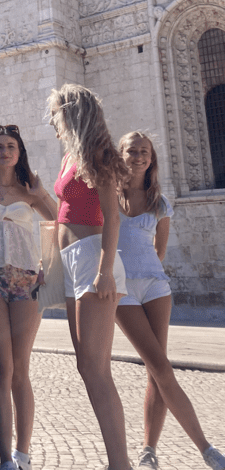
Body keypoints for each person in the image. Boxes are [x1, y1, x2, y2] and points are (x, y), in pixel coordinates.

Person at [115, 132, 225, 470]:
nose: (138, 156)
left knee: (155, 370)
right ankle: (207, 449)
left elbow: (160, 251)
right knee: (161, 366)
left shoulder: (160, 202)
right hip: (123, 292)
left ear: (152, 159)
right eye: (132, 151)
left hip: (156, 288)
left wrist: (147, 271)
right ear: (121, 155)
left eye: (144, 151)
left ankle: (149, 450)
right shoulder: (107, 195)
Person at [47, 84, 131, 470]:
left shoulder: (100, 154)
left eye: (56, 113)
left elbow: (112, 218)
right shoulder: (70, 154)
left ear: (73, 113)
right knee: (85, 366)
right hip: (70, 262)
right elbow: (65, 208)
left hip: (94, 260)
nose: (52, 120)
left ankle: (121, 464)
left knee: (96, 368)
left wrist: (105, 271)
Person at [0, 124, 58, 470]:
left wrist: (40, 191)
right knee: (1, 369)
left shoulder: (27, 188)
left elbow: (57, 220)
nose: (5, 152)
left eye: (11, 147)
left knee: (21, 369)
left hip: (26, 281)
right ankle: (5, 459)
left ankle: (23, 452)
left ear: (20, 153)